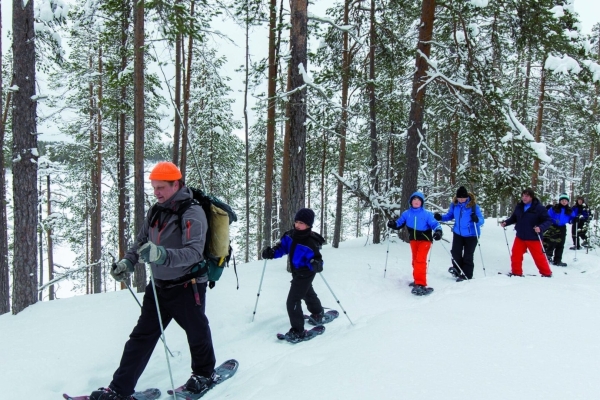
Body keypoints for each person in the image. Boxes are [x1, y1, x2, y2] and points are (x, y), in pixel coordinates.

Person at [90, 162, 217, 400]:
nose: (156, 192)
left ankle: (204, 374)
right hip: (158, 287)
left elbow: (194, 252)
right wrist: (128, 262)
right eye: (154, 187)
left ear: (176, 184)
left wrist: (161, 255)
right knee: (141, 337)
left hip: (188, 286)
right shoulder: (156, 210)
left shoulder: (192, 212)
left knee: (196, 331)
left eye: (161, 187)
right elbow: (141, 242)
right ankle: (119, 389)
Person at [261, 208, 326, 341]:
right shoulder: (290, 236)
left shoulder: (311, 242)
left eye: (301, 223)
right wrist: (272, 252)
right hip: (296, 271)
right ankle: (317, 312)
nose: (297, 225)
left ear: (308, 225)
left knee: (293, 300)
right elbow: (282, 248)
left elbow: (318, 260)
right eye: (296, 222)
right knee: (307, 291)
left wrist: (316, 264)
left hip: (306, 272)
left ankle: (298, 330)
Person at [387, 191, 443, 295]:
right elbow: (399, 224)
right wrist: (392, 224)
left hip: (425, 240)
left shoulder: (427, 214)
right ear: (411, 202)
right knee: (415, 261)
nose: (416, 202)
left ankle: (421, 284)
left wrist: (438, 232)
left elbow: (435, 224)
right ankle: (417, 280)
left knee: (420, 261)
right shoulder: (406, 214)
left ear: (422, 202)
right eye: (414, 200)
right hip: (413, 240)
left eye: (418, 200)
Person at [434, 186, 484, 282]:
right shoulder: (454, 204)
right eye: (459, 197)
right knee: (455, 252)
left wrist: (476, 219)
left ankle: (466, 275)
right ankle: (457, 269)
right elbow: (450, 215)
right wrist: (440, 217)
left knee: (468, 255)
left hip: (471, 235)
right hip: (458, 233)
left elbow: (481, 220)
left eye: (463, 197)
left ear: (466, 197)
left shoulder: (473, 206)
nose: (461, 199)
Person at [500, 188, 552, 277]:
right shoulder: (519, 207)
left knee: (538, 257)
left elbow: (548, 221)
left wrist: (540, 227)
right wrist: (506, 222)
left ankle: (546, 273)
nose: (524, 198)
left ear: (531, 197)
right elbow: (514, 218)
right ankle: (516, 273)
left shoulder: (539, 208)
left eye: (527, 196)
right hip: (520, 236)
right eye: (523, 196)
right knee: (516, 254)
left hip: (534, 237)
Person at [543, 193, 572, 267]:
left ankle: (557, 260)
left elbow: (571, 218)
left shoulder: (569, 210)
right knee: (552, 242)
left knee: (561, 244)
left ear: (567, 202)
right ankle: (548, 256)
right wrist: (553, 220)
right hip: (554, 226)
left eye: (565, 200)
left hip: (562, 227)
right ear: (560, 201)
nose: (564, 202)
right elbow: (548, 215)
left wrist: (573, 220)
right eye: (562, 200)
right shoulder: (554, 208)